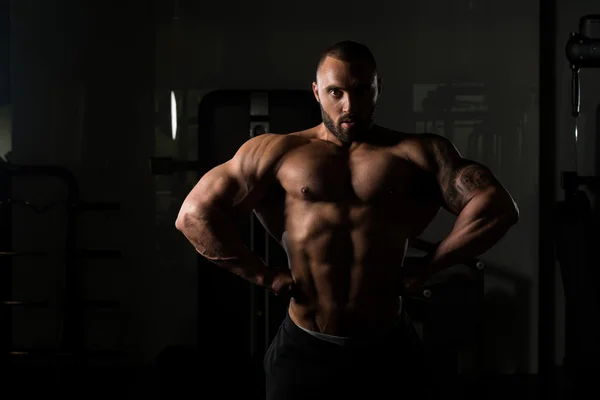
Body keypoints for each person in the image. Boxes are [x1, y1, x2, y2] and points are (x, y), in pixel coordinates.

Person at [175, 40, 519, 399]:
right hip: (304, 346)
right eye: (335, 92)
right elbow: (194, 216)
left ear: (377, 88)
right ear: (316, 92)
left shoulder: (419, 153)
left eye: (360, 91)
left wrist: (430, 266)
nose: (349, 106)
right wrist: (264, 275)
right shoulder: (275, 152)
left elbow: (496, 206)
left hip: (389, 348)